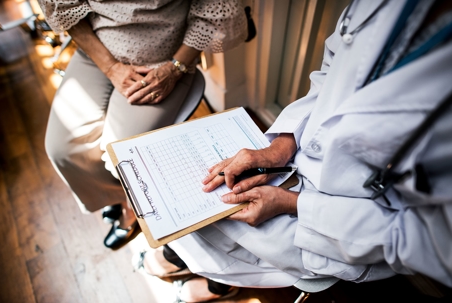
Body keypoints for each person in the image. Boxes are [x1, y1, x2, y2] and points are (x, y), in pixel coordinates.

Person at [137, 0, 452, 302]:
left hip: (346, 225)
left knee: (227, 218)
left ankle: (217, 283)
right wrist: (280, 146)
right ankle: (181, 254)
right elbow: (331, 70)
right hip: (297, 160)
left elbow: (429, 242)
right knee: (196, 192)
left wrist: (292, 203)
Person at [38, 0, 248, 250]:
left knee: (119, 158)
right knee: (61, 149)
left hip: (161, 63)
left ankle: (131, 209)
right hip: (96, 49)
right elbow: (61, 8)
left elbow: (213, 11)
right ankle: (116, 196)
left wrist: (175, 68)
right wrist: (110, 67)